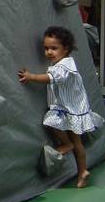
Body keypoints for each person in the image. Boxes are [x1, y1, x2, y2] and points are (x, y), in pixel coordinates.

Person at [18, 25, 98, 188]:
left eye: (54, 48)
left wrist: (31, 76)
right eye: (46, 48)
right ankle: (83, 171)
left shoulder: (64, 66)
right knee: (77, 142)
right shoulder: (64, 63)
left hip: (68, 108)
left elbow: (49, 78)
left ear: (66, 48)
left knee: (51, 122)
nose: (49, 52)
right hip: (72, 108)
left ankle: (66, 144)